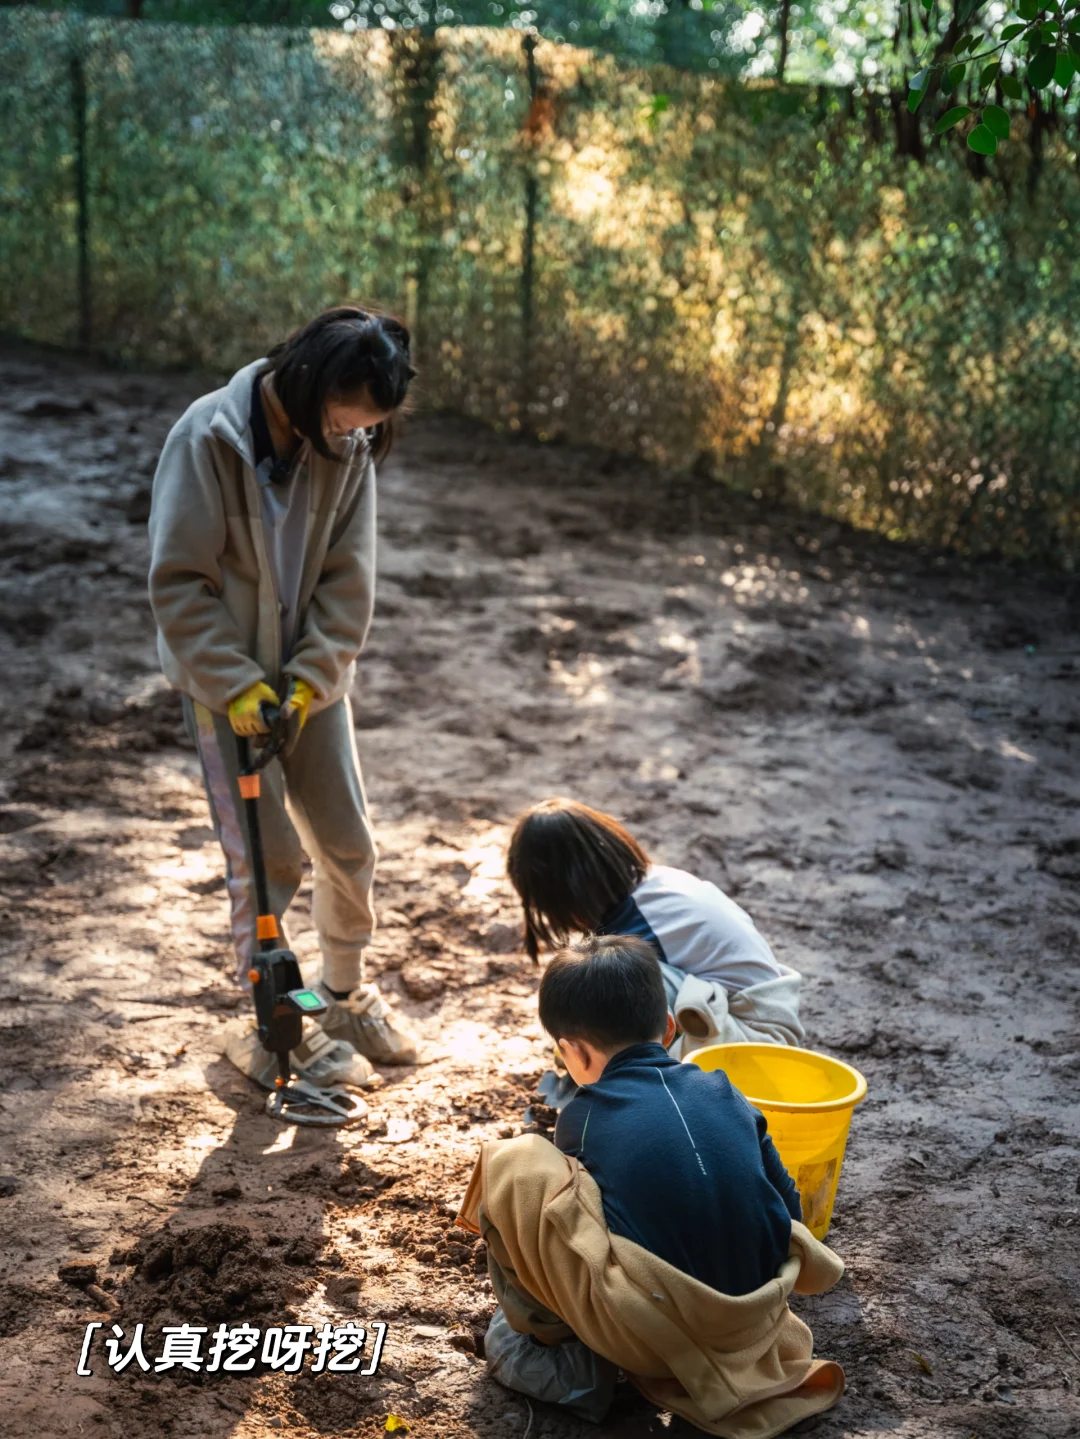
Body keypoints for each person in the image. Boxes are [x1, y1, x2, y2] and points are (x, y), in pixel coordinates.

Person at [148, 305, 418, 1091]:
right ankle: (276, 1025)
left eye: (364, 424)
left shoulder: (350, 447)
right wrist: (236, 684)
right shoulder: (207, 439)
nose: (351, 435)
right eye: (343, 418)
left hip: (309, 683)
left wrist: (308, 678)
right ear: (310, 383)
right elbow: (179, 583)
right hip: (223, 685)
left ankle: (336, 996)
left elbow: (347, 578)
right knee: (265, 862)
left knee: (347, 844)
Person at [457, 936, 845, 1433]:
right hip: (759, 1316)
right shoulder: (725, 1089)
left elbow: (579, 1217)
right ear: (667, 1027)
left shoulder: (584, 1115)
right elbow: (789, 1206)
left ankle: (556, 1352)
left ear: (569, 1051)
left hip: (661, 1338)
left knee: (516, 1164)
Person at [507, 796, 804, 1059]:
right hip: (761, 1016)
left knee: (606, 983)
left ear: (565, 893)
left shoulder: (639, 921)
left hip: (757, 1043)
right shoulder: (653, 885)